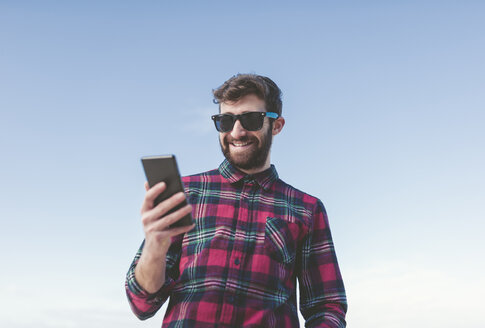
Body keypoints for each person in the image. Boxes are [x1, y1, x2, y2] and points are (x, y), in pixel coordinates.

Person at [125, 74, 347, 327]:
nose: (237, 132)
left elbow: (327, 307)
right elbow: (142, 304)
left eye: (251, 119)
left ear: (276, 125)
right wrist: (155, 245)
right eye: (226, 121)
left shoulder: (307, 209)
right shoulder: (186, 193)